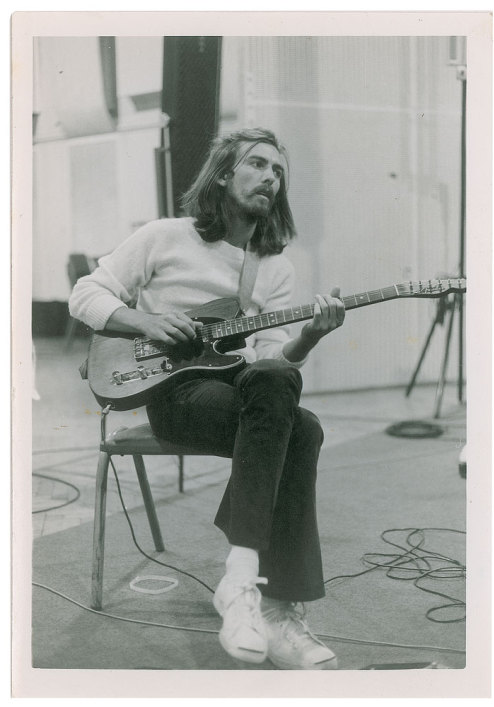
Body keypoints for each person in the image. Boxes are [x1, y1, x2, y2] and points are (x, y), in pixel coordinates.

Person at [69, 127, 345, 670]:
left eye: (279, 171)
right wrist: (144, 319)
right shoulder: (165, 236)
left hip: (239, 389)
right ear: (223, 173)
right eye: (259, 164)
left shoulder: (274, 268)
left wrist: (309, 334)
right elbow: (86, 293)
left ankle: (243, 580)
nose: (272, 176)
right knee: (303, 429)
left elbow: (274, 364)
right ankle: (277, 609)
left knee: (282, 393)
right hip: (175, 393)